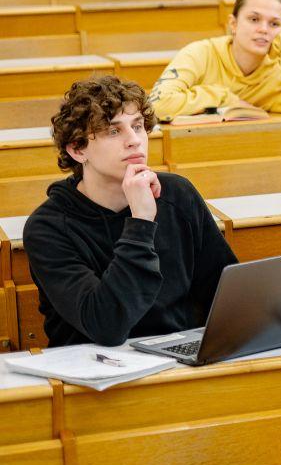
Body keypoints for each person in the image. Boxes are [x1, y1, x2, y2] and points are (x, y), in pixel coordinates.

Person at [24, 76, 237, 347]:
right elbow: (107, 325)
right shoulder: (47, 228)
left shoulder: (177, 195)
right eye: (114, 131)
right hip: (95, 372)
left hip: (178, 360)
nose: (134, 140)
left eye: (138, 126)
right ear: (78, 150)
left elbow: (225, 291)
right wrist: (141, 223)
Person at [148, 0, 281, 122]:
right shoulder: (200, 53)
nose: (263, 29)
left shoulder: (279, 76)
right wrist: (226, 98)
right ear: (234, 24)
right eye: (254, 19)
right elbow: (158, 105)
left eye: (275, 24)